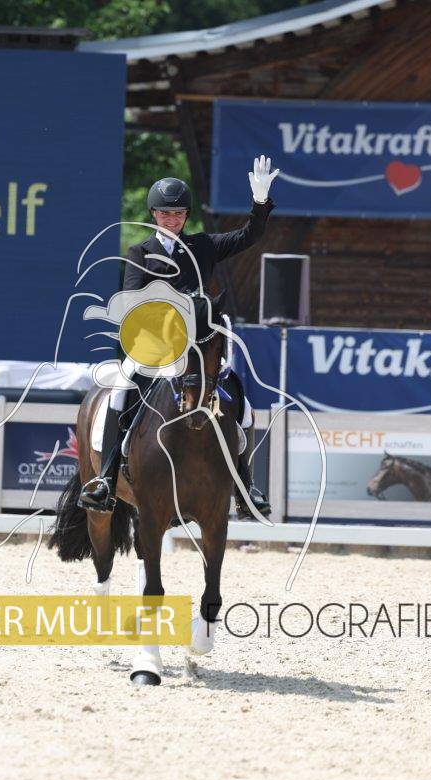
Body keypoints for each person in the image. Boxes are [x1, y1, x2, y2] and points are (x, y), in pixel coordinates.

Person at [79, 156, 280, 519]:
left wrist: (260, 202)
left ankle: (245, 485)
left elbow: (249, 235)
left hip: (198, 349)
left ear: (186, 216)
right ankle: (106, 478)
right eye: (165, 214)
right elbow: (131, 301)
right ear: (154, 214)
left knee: (243, 405)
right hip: (155, 347)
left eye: (178, 214)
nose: (171, 220)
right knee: (120, 391)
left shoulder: (203, 246)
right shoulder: (140, 253)